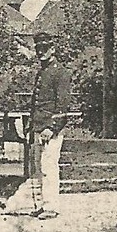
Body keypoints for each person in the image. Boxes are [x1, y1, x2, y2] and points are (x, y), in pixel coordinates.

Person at [28, 33, 71, 219]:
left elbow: (62, 105)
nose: (41, 52)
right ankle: (39, 205)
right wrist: (32, 126)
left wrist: (52, 128)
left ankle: (51, 207)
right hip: (38, 127)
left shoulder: (60, 73)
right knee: (36, 169)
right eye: (38, 49)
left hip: (49, 129)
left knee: (49, 167)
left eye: (44, 49)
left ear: (53, 49)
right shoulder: (42, 72)